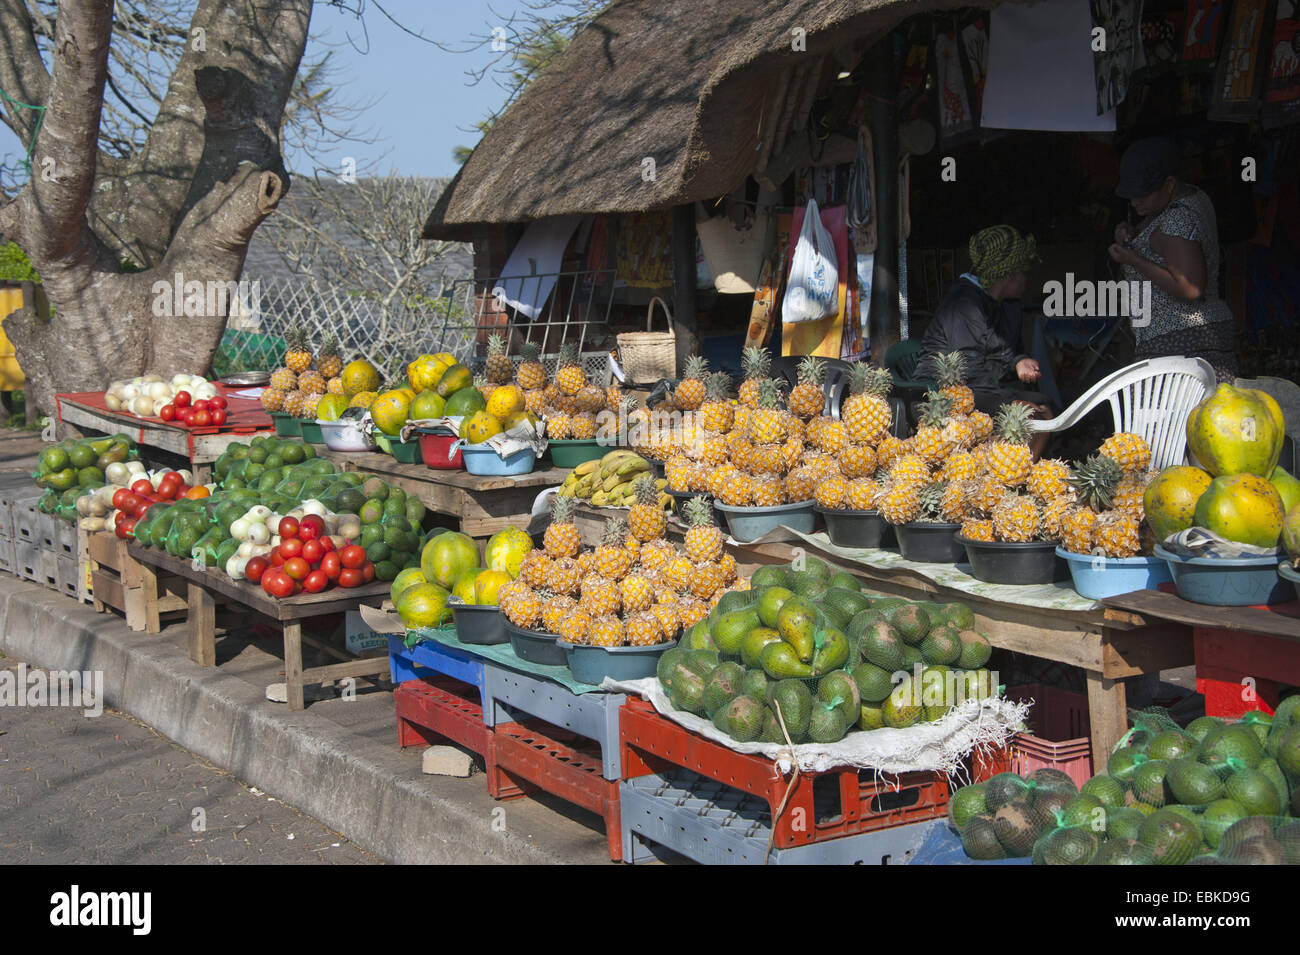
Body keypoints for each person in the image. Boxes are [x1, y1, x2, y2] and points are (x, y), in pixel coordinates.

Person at [1109, 136, 1238, 382]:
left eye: (1142, 195)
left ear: (1169, 184)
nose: (1134, 202)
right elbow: (1161, 240)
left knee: (1168, 418)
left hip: (1180, 340)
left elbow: (1189, 287)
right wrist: (1134, 234)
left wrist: (1134, 259)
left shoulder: (1178, 220)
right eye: (1131, 195)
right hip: (1186, 336)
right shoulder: (1193, 197)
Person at [916, 224, 1053, 454]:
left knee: (1045, 407)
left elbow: (1003, 347)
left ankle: (1020, 474)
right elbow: (968, 369)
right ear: (1008, 275)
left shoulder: (1006, 305)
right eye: (1023, 273)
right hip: (947, 392)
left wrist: (1018, 361)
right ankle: (1007, 479)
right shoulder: (964, 304)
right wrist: (1010, 399)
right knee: (1033, 414)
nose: (1026, 280)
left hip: (981, 386)